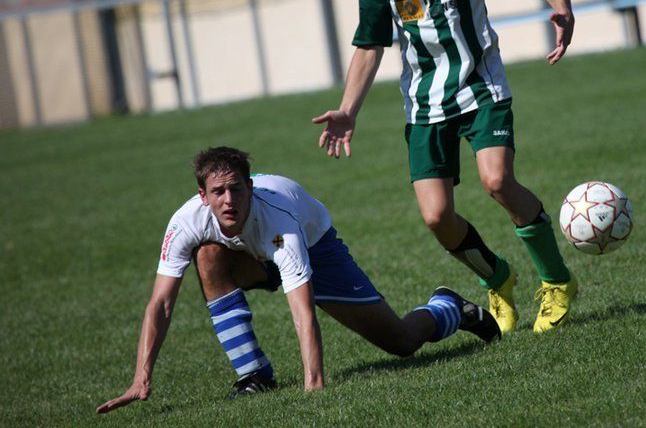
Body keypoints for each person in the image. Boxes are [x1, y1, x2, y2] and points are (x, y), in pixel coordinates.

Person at [313, 0, 577, 335]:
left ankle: (557, 280)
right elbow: (370, 43)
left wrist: (561, 7)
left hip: (482, 87)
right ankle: (497, 277)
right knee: (437, 217)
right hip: (424, 103)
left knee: (497, 181)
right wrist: (348, 109)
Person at [96, 146, 500, 413]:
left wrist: (314, 384)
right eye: (218, 192)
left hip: (314, 246)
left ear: (250, 187)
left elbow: (303, 311)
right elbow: (161, 303)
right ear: (202, 196)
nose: (228, 200)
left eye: (236, 189)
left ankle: (448, 307)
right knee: (207, 256)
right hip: (253, 254)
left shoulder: (280, 223)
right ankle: (254, 375)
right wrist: (140, 378)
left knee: (401, 342)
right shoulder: (185, 223)